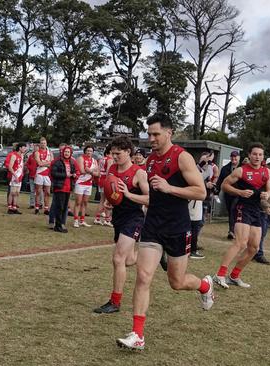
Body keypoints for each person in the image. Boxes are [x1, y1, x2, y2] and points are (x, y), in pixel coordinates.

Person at [116, 113, 214, 350]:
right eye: (149, 134)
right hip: (153, 226)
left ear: (169, 133)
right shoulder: (149, 160)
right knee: (143, 276)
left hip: (178, 227)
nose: (151, 138)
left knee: (177, 282)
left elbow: (200, 192)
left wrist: (170, 188)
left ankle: (205, 285)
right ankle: (137, 335)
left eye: (156, 134)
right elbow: (153, 194)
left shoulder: (183, 158)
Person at [93, 136, 148, 314]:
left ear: (128, 152)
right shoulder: (112, 168)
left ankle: (115, 302)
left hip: (134, 218)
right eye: (113, 153)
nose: (114, 157)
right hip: (119, 217)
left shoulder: (139, 173)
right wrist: (106, 203)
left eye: (118, 153)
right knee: (129, 259)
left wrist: (128, 194)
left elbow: (149, 199)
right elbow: (109, 188)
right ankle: (158, 252)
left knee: (118, 258)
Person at [213, 143, 270, 290]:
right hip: (242, 207)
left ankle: (234, 276)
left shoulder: (266, 172)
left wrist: (266, 195)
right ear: (249, 155)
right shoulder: (241, 171)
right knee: (241, 243)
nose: (257, 157)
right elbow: (224, 185)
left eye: (260, 154)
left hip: (256, 210)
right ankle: (219, 275)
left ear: (263, 157)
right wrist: (240, 193)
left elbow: (268, 191)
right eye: (254, 154)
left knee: (254, 247)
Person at [254, 157, 270, 265]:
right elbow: (261, 195)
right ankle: (258, 254)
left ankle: (255, 252)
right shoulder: (264, 177)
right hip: (262, 210)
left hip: (268, 210)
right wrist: (267, 207)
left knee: (262, 233)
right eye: (269, 164)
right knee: (261, 233)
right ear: (266, 165)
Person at [50, 145, 77, 233]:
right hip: (60, 187)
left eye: (68, 152)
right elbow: (54, 174)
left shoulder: (72, 162)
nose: (66, 153)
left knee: (65, 207)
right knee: (59, 207)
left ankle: (61, 224)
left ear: (70, 153)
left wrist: (74, 175)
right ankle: (57, 225)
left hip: (68, 187)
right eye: (65, 152)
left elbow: (75, 172)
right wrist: (66, 175)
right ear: (62, 152)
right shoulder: (57, 162)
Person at [73, 145, 99, 228]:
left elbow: (98, 174)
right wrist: (92, 171)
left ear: (93, 152)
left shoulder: (94, 161)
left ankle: (82, 220)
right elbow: (82, 171)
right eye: (88, 150)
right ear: (85, 151)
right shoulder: (81, 158)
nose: (89, 152)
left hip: (89, 183)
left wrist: (90, 171)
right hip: (80, 182)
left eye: (91, 151)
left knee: (85, 203)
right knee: (78, 202)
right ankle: (76, 220)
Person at [217, 150, 240, 239]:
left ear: (238, 157)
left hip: (239, 194)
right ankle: (232, 231)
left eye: (235, 156)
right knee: (231, 212)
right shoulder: (225, 168)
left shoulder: (242, 168)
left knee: (234, 210)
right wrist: (216, 191)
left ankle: (233, 231)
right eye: (232, 156)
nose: (234, 158)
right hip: (228, 194)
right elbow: (220, 181)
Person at [94, 145, 114, 226]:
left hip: (101, 179)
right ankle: (107, 220)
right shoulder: (110, 159)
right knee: (107, 201)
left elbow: (98, 171)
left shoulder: (102, 159)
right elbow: (109, 171)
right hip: (106, 180)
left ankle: (97, 218)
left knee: (102, 200)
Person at [34, 137, 53, 215]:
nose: (43, 144)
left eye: (44, 143)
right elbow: (39, 163)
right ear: (40, 144)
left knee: (48, 192)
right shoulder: (37, 152)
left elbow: (52, 163)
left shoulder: (50, 153)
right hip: (39, 173)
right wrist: (47, 163)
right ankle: (37, 207)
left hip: (47, 174)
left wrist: (44, 163)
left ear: (46, 143)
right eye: (42, 143)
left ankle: (46, 208)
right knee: (38, 191)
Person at [7, 143, 27, 214]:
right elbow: (10, 167)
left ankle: (14, 207)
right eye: (24, 147)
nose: (25, 149)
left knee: (17, 193)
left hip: (20, 176)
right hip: (14, 176)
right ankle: (9, 208)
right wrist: (15, 175)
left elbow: (21, 166)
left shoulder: (22, 155)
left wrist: (22, 174)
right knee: (12, 192)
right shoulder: (14, 155)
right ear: (20, 148)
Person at [26, 143, 42, 210]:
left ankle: (40, 204)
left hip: (39, 175)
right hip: (31, 175)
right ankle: (32, 204)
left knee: (39, 190)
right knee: (32, 190)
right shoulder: (31, 156)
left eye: (37, 148)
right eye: (34, 148)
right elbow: (27, 163)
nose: (35, 149)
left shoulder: (41, 156)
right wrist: (30, 168)